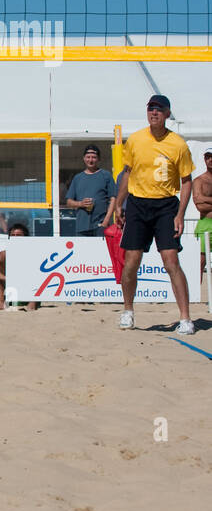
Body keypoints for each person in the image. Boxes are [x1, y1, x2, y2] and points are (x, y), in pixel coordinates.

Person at [103, 94, 195, 334]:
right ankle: (128, 311)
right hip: (138, 204)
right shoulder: (135, 140)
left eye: (158, 109)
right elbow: (127, 173)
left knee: (171, 261)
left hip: (166, 206)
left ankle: (185, 318)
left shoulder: (178, 144)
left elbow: (187, 181)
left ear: (167, 114)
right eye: (150, 109)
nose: (153, 112)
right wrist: (120, 203)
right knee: (131, 260)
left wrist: (180, 214)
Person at [64, 144, 116, 236]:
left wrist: (106, 220)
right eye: (88, 157)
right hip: (82, 226)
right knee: (83, 250)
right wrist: (80, 204)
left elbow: (113, 199)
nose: (91, 160)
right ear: (84, 158)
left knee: (101, 250)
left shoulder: (106, 175)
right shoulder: (78, 178)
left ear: (98, 159)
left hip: (100, 225)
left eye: (94, 157)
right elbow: (69, 202)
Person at [0, 223, 38, 310]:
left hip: (27, 288)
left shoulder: (33, 255)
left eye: (18, 235)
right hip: (7, 289)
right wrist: (8, 278)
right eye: (13, 235)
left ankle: (32, 305)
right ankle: (2, 305)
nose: (15, 237)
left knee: (37, 279)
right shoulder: (1, 256)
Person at [192, 150, 212, 277]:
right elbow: (200, 205)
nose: (210, 160)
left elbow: (202, 200)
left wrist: (205, 199)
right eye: (208, 157)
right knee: (199, 262)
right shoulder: (199, 181)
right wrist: (202, 200)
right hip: (206, 224)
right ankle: (195, 296)